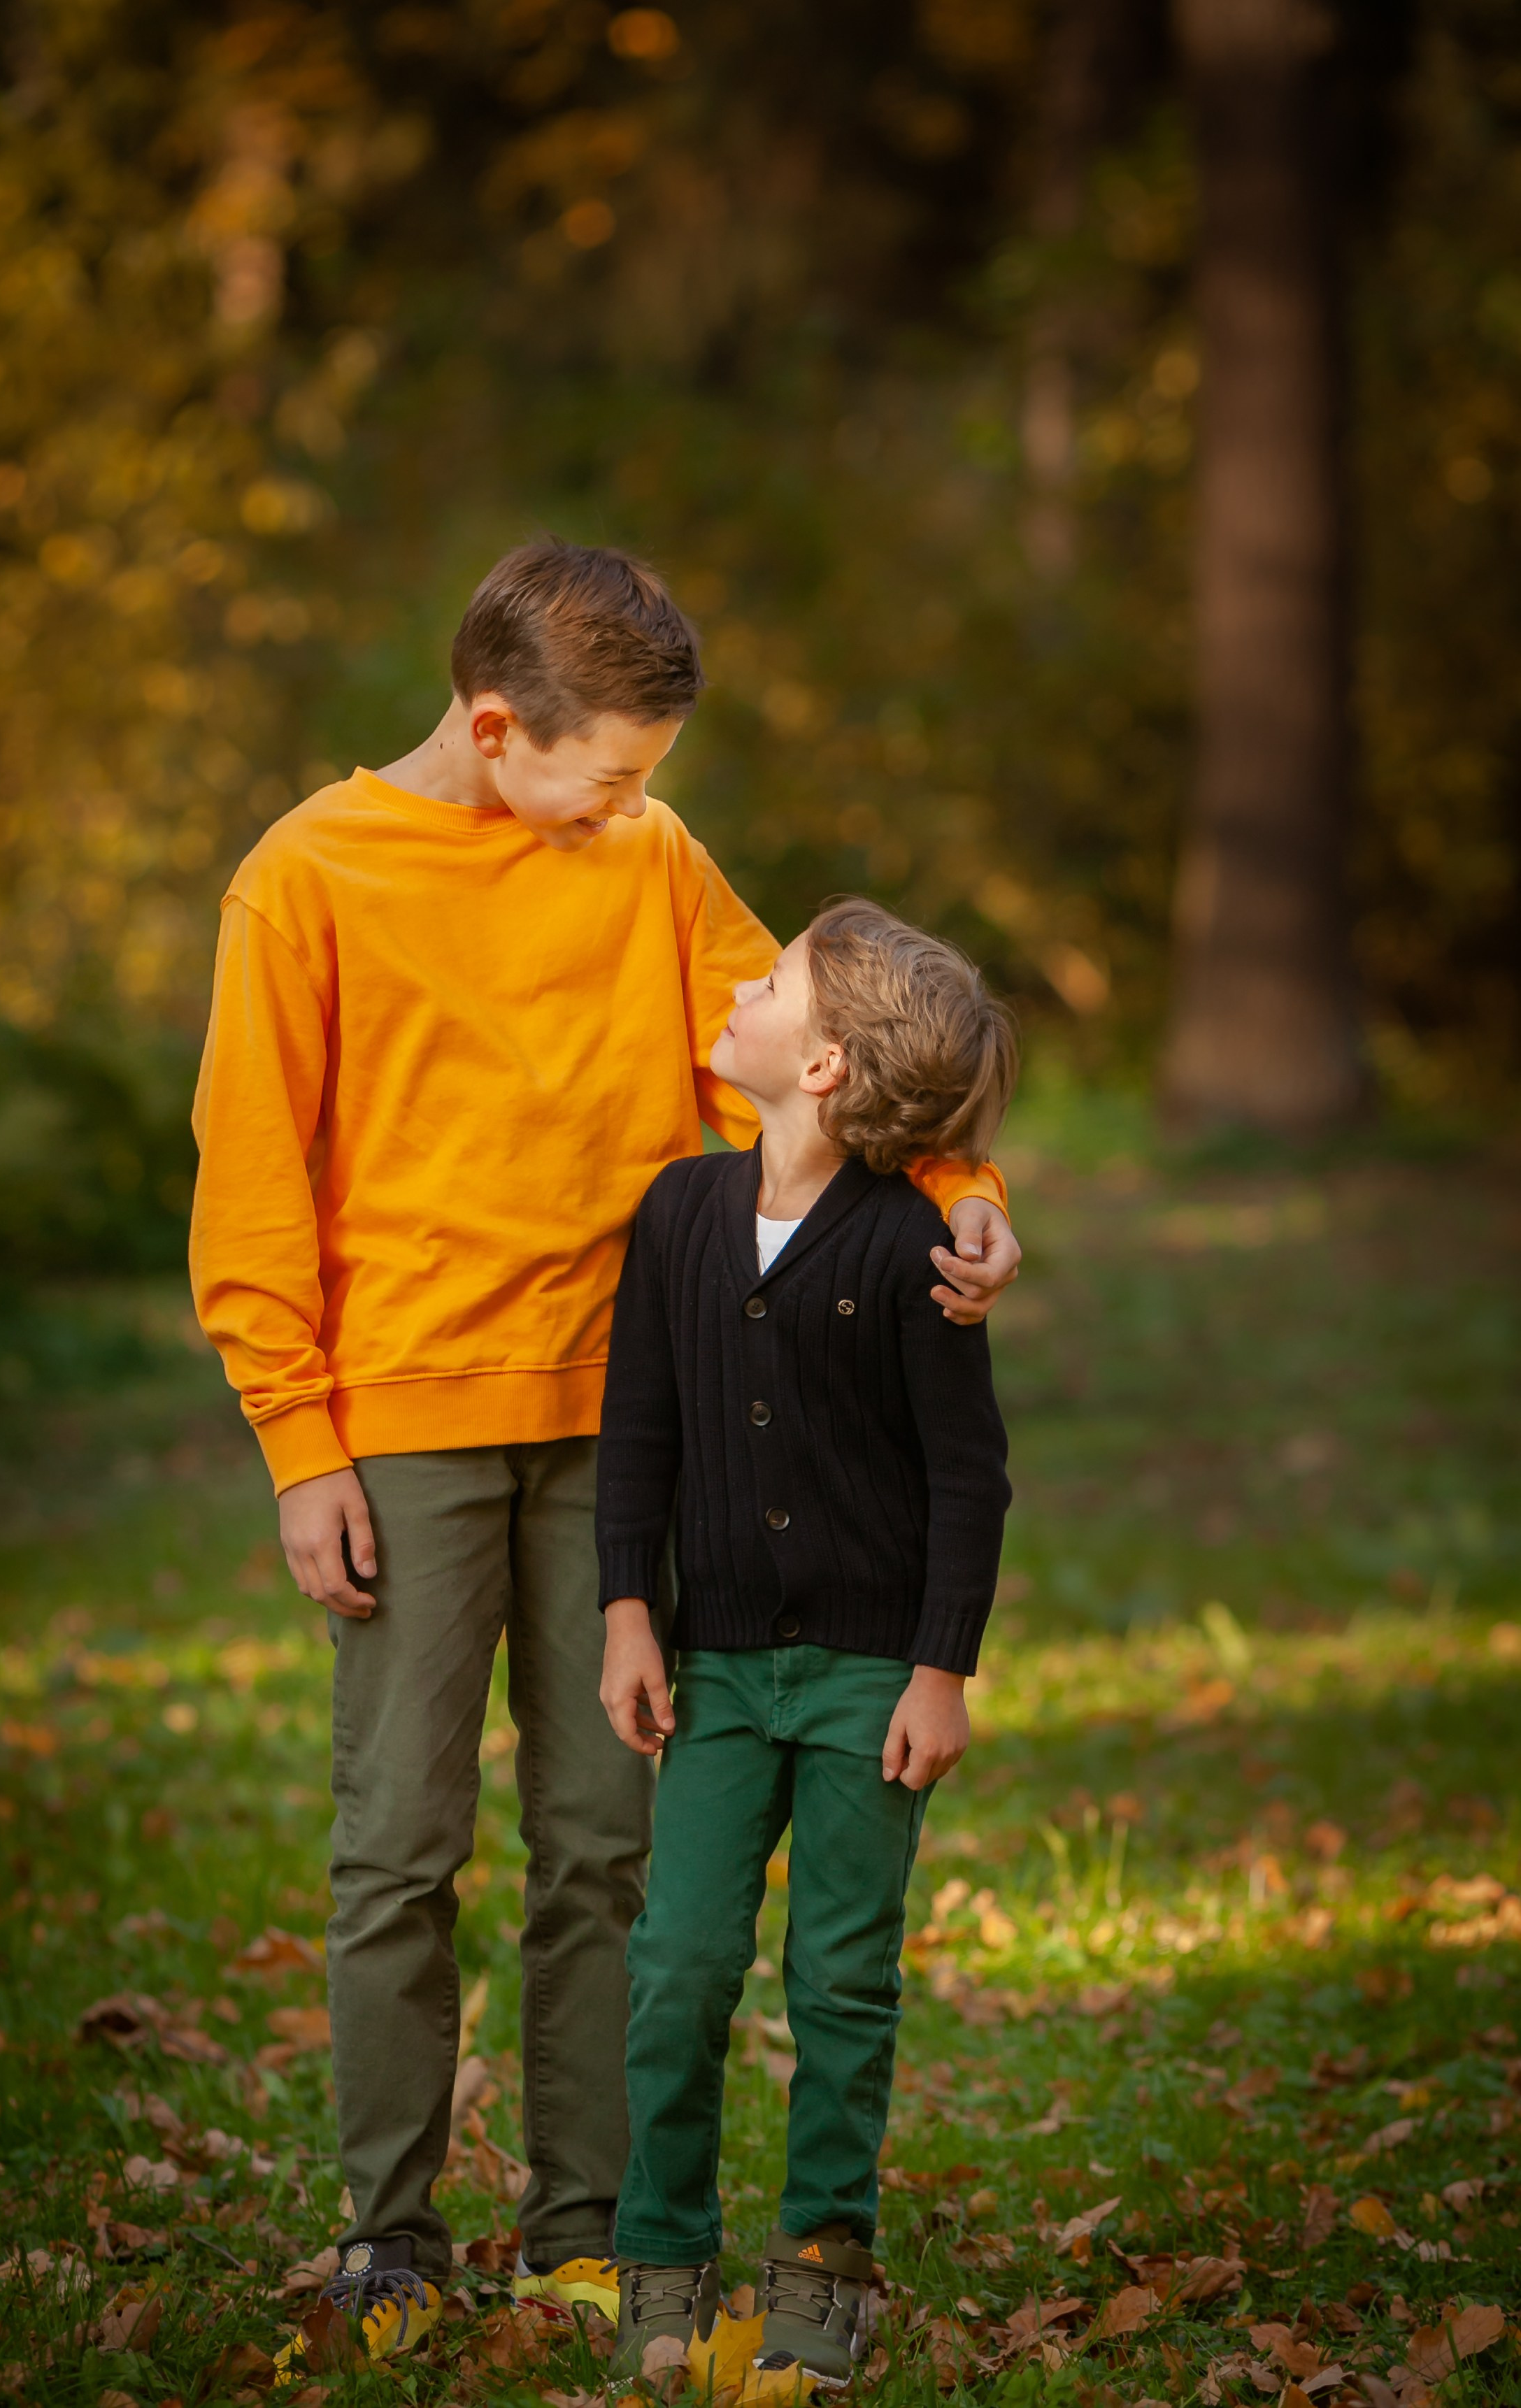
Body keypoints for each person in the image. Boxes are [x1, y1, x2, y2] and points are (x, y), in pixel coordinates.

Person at [189, 542, 1020, 2370]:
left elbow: (837, 1055)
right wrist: (298, 1437)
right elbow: (251, 1188)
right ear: (498, 730)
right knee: (399, 1842)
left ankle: (578, 2227)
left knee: (599, 1841)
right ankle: (387, 2227)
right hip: (403, 1420)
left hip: (624, 1420)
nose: (638, 810)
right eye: (613, 775)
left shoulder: (646, 857)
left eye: (649, 780)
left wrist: (964, 1197)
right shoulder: (306, 881)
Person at [595, 898, 1014, 2391]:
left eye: (768, 983)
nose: (736, 984)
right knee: (682, 1963)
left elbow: (968, 1471)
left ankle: (823, 2268)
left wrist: (939, 1668)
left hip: (864, 1679)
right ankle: (661, 2255)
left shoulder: (915, 1246)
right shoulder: (677, 1213)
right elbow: (636, 1429)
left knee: (841, 1975)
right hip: (707, 1668)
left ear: (825, 1063)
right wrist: (626, 1610)